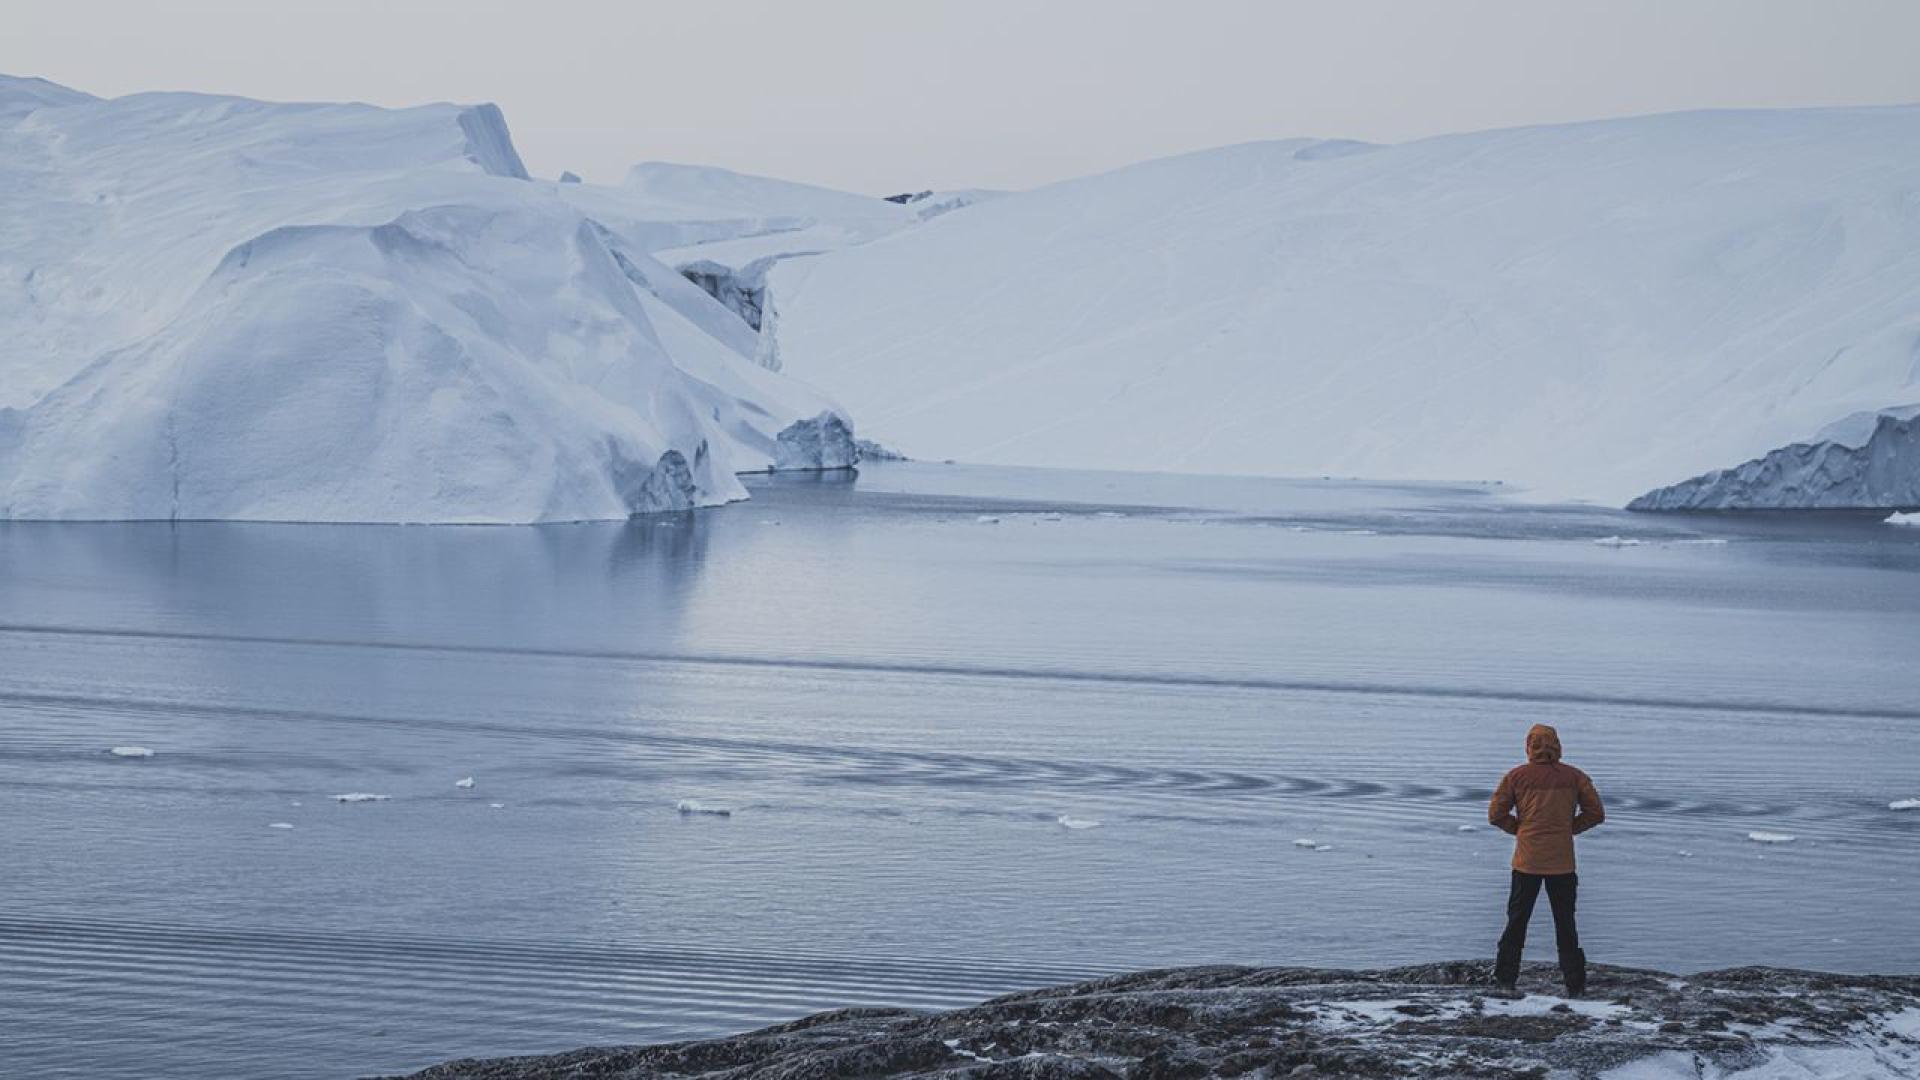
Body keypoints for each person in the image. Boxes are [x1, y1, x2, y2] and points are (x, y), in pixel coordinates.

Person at [1487, 723, 1604, 998]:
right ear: (1557, 745)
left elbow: (1495, 814)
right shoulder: (1575, 777)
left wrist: (1519, 829)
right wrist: (1569, 829)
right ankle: (1575, 984)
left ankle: (1505, 979)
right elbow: (1596, 813)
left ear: (1529, 745)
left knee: (1517, 921)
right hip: (1562, 864)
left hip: (1526, 862)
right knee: (1565, 923)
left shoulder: (1516, 777)